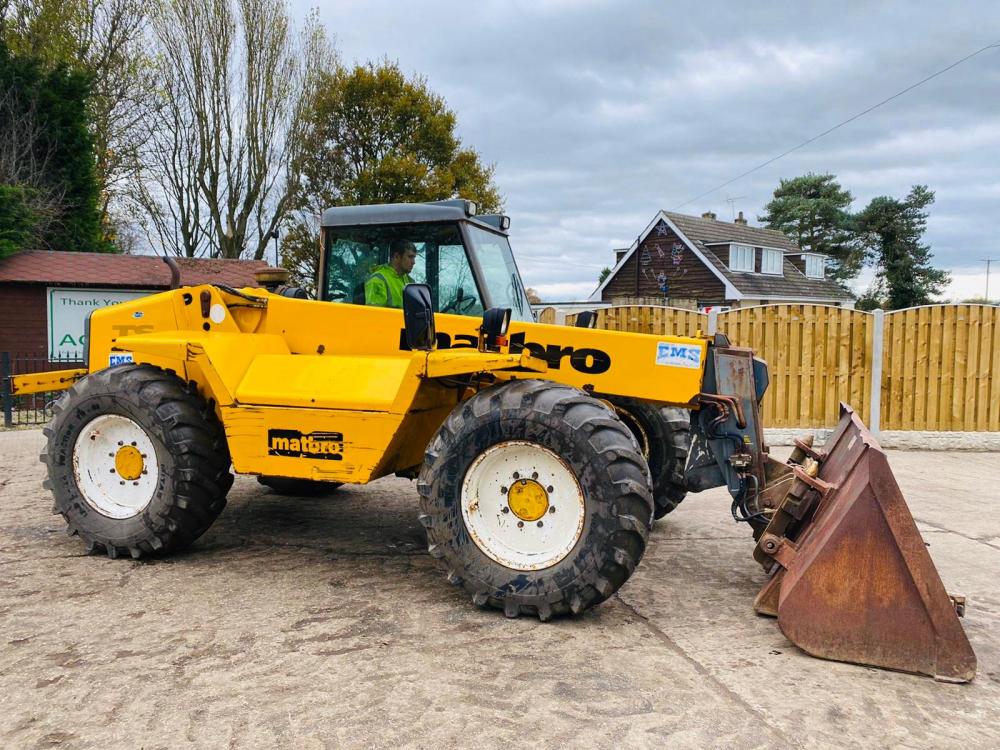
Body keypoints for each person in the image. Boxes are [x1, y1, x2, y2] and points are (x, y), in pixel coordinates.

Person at [364, 239, 417, 308]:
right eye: (410, 257)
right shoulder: (377, 280)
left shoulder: (409, 281)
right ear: (396, 257)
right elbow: (375, 315)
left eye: (414, 257)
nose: (413, 262)